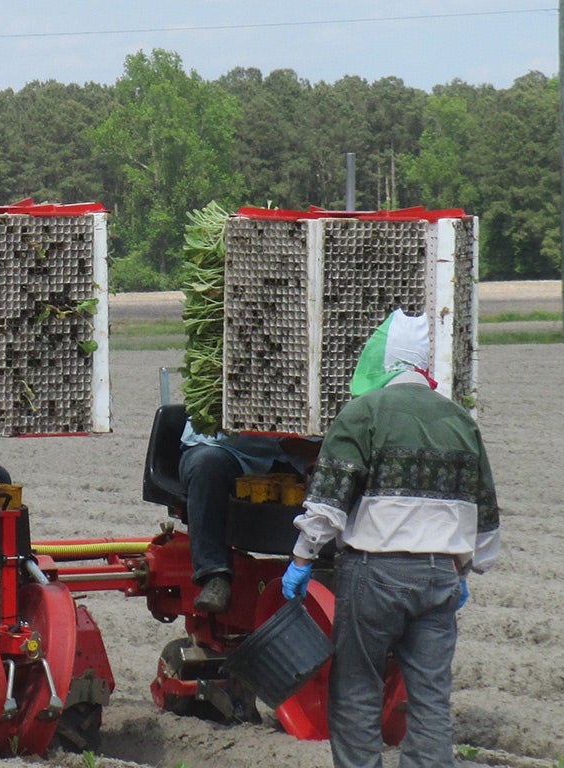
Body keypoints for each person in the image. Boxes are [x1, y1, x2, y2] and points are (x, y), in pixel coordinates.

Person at [281, 309, 501, 768]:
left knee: (357, 690)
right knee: (431, 698)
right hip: (440, 575)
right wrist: (466, 568)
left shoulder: (363, 413)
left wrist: (303, 558)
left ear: (384, 361)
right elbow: (485, 509)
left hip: (375, 572)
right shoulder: (460, 420)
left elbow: (328, 501)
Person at [178, 424, 294, 613]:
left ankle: (325, 567)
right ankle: (214, 575)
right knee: (206, 464)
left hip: (294, 456)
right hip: (228, 448)